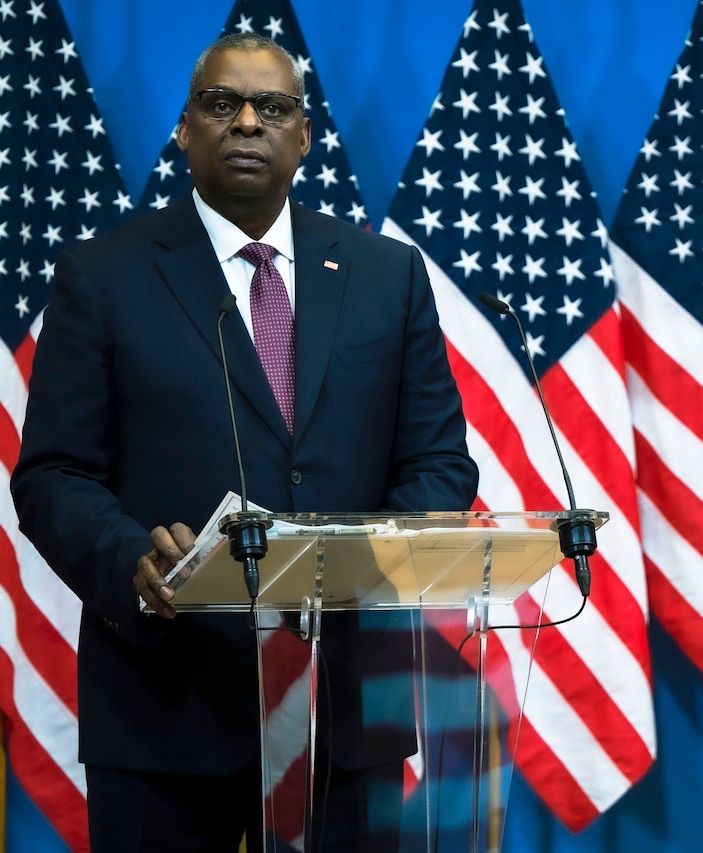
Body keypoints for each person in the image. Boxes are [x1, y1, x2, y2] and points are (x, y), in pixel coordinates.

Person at [11, 33, 478, 852]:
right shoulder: (104, 274)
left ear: (305, 136)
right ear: (186, 129)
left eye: (274, 107)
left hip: (345, 712)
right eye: (222, 105)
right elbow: (54, 473)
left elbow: (440, 462)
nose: (248, 122)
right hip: (167, 709)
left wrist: (361, 566)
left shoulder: (386, 274)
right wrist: (133, 561)